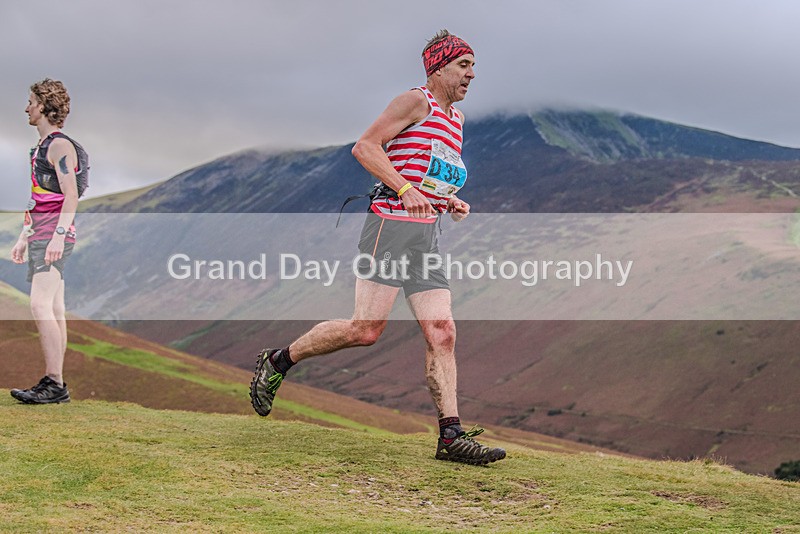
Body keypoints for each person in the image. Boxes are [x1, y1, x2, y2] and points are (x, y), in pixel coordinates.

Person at [251, 30, 505, 465]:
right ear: (439, 66)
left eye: (473, 66)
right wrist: (404, 188)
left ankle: (451, 437)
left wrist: (448, 199)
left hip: (424, 236)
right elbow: (365, 147)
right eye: (464, 65)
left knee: (442, 332)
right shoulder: (414, 101)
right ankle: (278, 360)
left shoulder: (456, 120)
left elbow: (428, 173)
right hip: (388, 227)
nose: (472, 74)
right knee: (365, 331)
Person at [10, 79, 84, 404]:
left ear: (44, 106)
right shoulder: (40, 149)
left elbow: (71, 195)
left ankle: (54, 383)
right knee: (55, 307)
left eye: (30, 102)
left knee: (39, 305)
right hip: (41, 234)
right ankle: (57, 382)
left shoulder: (59, 146)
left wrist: (57, 237)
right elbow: (37, 199)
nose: (26, 107)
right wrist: (23, 236)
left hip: (54, 236)